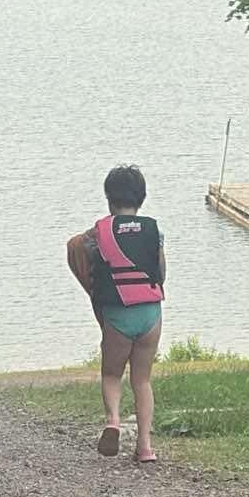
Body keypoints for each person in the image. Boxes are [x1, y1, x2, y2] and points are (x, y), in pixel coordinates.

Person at [67, 164, 165, 464]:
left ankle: (113, 420)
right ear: (142, 199)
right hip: (150, 312)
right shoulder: (154, 230)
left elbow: (77, 248)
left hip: (117, 313)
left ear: (109, 199)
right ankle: (145, 447)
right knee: (142, 379)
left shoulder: (98, 232)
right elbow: (161, 272)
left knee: (112, 373)